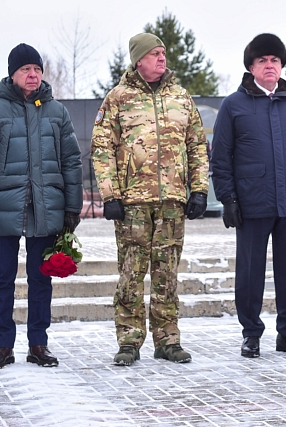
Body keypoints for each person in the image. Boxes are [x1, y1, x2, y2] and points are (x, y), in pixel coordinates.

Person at [91, 33, 209, 366]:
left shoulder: (181, 98)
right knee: (131, 273)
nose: (161, 58)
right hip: (132, 204)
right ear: (138, 60)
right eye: (154, 53)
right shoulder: (118, 98)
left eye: (163, 52)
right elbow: (102, 148)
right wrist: (110, 195)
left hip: (172, 201)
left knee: (166, 273)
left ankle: (168, 340)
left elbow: (197, 146)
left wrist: (199, 189)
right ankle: (129, 341)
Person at [0, 43, 83, 370]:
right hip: (3, 208)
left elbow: (72, 160)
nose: (33, 75)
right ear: (12, 74)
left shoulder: (57, 112)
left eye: (37, 69)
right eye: (25, 69)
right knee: (2, 278)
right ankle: (3, 346)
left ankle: (38, 344)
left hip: (45, 208)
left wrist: (72, 206)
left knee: (41, 279)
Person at [210, 33, 286, 360]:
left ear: (282, 65)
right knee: (250, 273)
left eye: (275, 60)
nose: (270, 65)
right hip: (252, 202)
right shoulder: (234, 105)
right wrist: (228, 199)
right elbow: (220, 157)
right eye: (262, 60)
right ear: (251, 67)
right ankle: (251, 333)